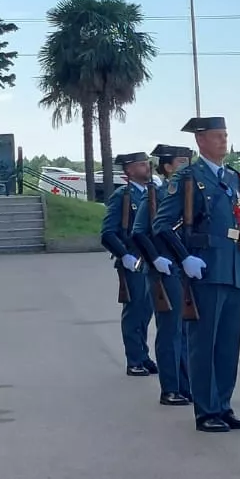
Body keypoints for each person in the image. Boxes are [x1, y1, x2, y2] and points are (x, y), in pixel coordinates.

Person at [155, 116, 240, 433]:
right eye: (217, 136)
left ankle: (223, 405)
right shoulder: (188, 178)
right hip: (206, 270)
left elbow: (239, 222)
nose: (223, 141)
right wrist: (184, 258)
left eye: (225, 135)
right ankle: (206, 410)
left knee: (228, 345)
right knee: (203, 344)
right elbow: (161, 225)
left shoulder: (233, 178)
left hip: (233, 267)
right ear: (200, 141)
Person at [131, 144, 193, 407]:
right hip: (165, 270)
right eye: (181, 163)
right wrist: (156, 258)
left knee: (186, 330)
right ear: (167, 167)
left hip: (187, 268)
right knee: (170, 331)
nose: (187, 167)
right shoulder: (156, 195)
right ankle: (170, 388)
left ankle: (186, 386)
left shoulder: (191, 192)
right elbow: (138, 231)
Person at [101, 152, 158, 378]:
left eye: (147, 164)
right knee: (134, 312)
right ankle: (134, 360)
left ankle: (143, 356)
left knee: (146, 311)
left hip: (150, 260)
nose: (147, 168)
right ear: (129, 170)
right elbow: (108, 233)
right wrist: (124, 255)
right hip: (133, 260)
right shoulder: (122, 197)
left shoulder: (151, 193)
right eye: (141, 165)